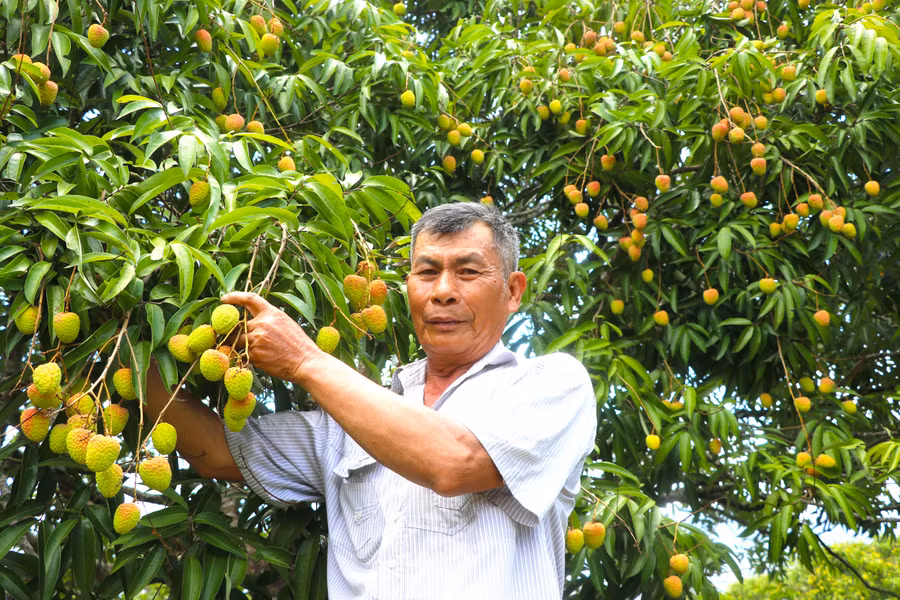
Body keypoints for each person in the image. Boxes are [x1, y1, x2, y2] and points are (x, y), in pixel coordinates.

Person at [144, 202, 597, 599]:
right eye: (427, 272)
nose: (442, 290)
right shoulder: (351, 419)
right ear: (409, 287)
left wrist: (305, 360)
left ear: (513, 290)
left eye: (469, 271)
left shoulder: (551, 385)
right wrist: (128, 347)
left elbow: (454, 462)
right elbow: (218, 452)